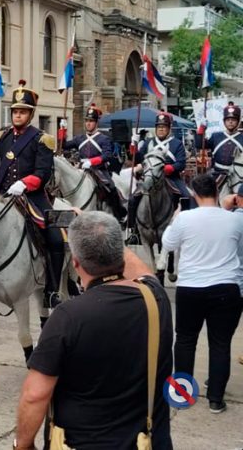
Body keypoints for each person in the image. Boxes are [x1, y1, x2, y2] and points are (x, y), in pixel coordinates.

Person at [14, 211, 172, 450]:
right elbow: (144, 273)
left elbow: (35, 395)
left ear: (75, 263)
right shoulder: (156, 297)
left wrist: (22, 445)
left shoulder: (66, 317)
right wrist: (101, 231)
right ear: (119, 250)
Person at [0, 81, 62, 307]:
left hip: (32, 197)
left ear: (31, 114)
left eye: (23, 111)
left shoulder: (42, 139)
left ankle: (52, 290)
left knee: (56, 239)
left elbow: (43, 173)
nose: (18, 115)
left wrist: (25, 183)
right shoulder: (3, 136)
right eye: (15, 111)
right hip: (4, 196)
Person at [160, 172, 243, 413]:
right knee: (220, 344)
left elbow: (168, 244)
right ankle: (215, 399)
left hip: (191, 287)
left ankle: (182, 392)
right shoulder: (235, 219)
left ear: (194, 194)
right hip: (226, 287)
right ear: (218, 192)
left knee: (185, 340)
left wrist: (175, 218)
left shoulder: (185, 218)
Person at [62, 103, 127, 220]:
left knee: (111, 187)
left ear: (96, 123)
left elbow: (107, 155)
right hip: (82, 168)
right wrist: (63, 130)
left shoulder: (104, 138)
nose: (88, 123)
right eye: (87, 121)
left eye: (91, 121)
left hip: (98, 169)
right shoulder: (79, 138)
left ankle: (119, 214)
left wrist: (92, 162)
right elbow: (64, 145)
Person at [132, 111, 193, 213]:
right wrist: (134, 146)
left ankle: (184, 219)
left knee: (186, 196)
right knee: (133, 199)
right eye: (159, 126)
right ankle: (131, 222)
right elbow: (139, 159)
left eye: (164, 127)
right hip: (149, 176)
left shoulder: (177, 143)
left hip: (171, 177)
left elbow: (181, 163)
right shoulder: (149, 142)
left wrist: (170, 168)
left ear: (169, 129)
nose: (161, 129)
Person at [198, 101, 243, 177]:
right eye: (228, 120)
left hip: (238, 176)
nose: (230, 122)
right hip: (217, 173)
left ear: (238, 122)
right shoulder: (216, 136)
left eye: (233, 120)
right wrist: (201, 129)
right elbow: (200, 145)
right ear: (224, 122)